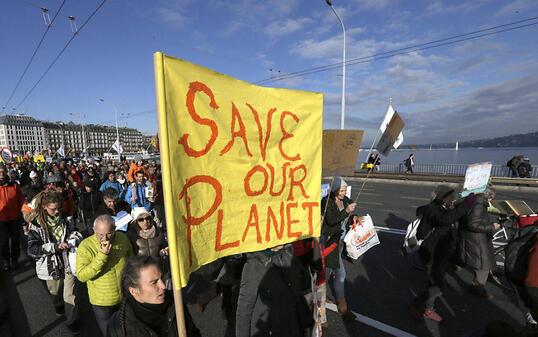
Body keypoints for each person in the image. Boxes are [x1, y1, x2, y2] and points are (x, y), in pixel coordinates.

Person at [411, 185, 475, 322]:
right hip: (431, 254)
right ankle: (416, 304)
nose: (453, 199)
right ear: (442, 197)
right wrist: (467, 204)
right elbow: (446, 219)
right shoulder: (432, 209)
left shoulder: (445, 208)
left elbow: (453, 220)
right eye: (451, 197)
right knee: (439, 286)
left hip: (442, 253)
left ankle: (429, 309)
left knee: (432, 283)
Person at [27, 191, 82, 333]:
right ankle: (58, 305)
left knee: (70, 294)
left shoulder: (66, 218)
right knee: (55, 292)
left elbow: (75, 231)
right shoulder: (35, 225)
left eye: (59, 208)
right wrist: (54, 247)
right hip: (50, 266)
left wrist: (73, 239)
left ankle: (72, 321)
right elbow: (32, 250)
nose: (57, 212)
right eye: (53, 209)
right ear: (44, 207)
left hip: (68, 261)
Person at [107, 255, 200, 337]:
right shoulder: (120, 327)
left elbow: (193, 332)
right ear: (133, 291)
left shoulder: (175, 303)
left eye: (161, 278)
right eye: (154, 282)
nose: (163, 286)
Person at [236, 245, 312, 337]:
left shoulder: (288, 255)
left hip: (290, 327)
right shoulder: (254, 264)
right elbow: (244, 308)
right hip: (267, 330)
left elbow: (300, 290)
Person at [76, 214, 133, 336]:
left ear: (115, 228)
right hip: (102, 302)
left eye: (109, 233)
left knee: (127, 331)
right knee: (109, 333)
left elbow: (131, 260)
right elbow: (81, 276)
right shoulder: (85, 246)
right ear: (93, 229)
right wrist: (102, 256)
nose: (105, 238)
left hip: (124, 296)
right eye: (100, 235)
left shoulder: (123, 238)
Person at [320, 176, 356, 316]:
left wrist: (354, 216)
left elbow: (350, 209)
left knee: (333, 275)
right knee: (333, 276)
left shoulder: (345, 200)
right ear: (335, 190)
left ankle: (339, 307)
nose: (344, 193)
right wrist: (347, 211)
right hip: (329, 242)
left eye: (345, 190)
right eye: (341, 190)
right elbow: (332, 220)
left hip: (338, 243)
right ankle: (323, 313)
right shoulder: (326, 201)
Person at [458, 189, 500, 299]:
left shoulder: (474, 201)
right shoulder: (479, 204)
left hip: (473, 238)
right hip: (476, 239)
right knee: (483, 265)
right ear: (488, 197)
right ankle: (477, 288)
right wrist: (492, 227)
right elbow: (473, 224)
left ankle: (477, 285)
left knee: (480, 263)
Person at [0, 164, 25, 271]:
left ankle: (15, 259)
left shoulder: (14, 185)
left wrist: (23, 216)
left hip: (15, 218)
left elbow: (21, 201)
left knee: (15, 240)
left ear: (6, 172)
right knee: (4, 241)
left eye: (3, 172)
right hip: (1, 219)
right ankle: (5, 260)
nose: (1, 174)